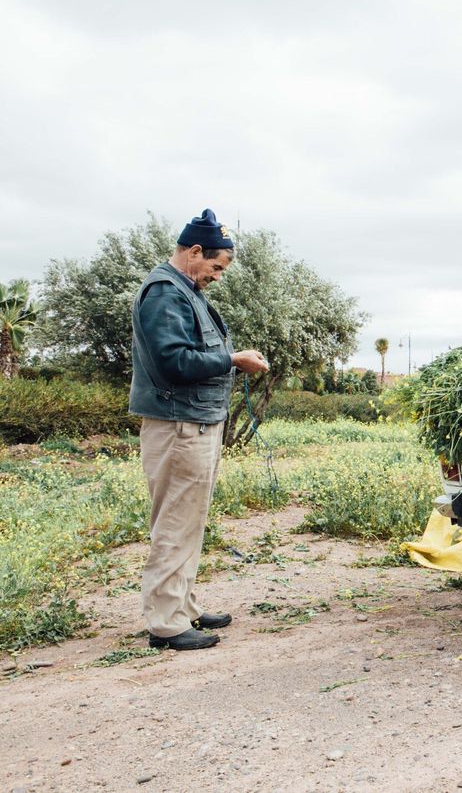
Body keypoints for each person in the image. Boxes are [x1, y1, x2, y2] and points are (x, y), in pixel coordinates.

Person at [129, 209, 269, 651]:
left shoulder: (185, 291)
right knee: (175, 521)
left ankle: (183, 606)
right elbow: (174, 362)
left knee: (190, 521)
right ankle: (167, 624)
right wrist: (233, 360)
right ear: (193, 252)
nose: (217, 276)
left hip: (194, 425)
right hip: (177, 428)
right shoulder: (164, 294)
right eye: (215, 267)